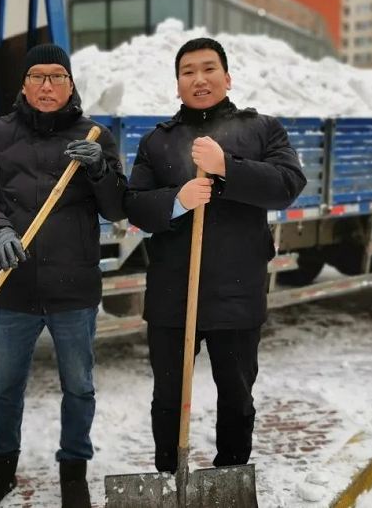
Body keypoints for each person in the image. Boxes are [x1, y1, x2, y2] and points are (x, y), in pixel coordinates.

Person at [124, 37, 306, 474]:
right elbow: (133, 205)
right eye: (188, 71)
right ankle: (170, 475)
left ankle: (230, 473)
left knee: (237, 394)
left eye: (209, 69)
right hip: (172, 292)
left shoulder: (262, 129)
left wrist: (227, 166)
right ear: (177, 84)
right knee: (168, 396)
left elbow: (288, 184)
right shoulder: (157, 141)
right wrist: (177, 201)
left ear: (227, 77)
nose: (199, 79)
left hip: (236, 289)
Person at [0, 43, 127, 508]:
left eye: (57, 76)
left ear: (71, 84)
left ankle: (74, 470)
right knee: (6, 385)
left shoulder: (95, 135)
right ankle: (2, 471)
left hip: (73, 288)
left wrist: (99, 171)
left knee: (78, 386)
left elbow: (117, 207)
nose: (48, 85)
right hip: (13, 286)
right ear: (24, 85)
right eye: (38, 76)